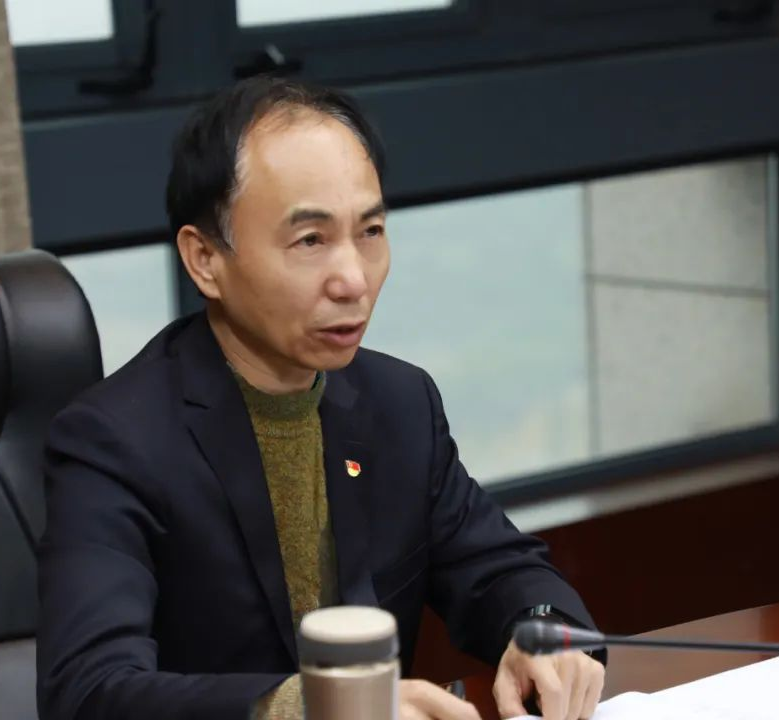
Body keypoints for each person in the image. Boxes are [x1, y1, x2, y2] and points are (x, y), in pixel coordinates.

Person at [36, 75, 605, 720]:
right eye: (310, 240)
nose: (353, 279)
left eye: (371, 231)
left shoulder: (400, 402)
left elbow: (501, 569)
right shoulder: (114, 442)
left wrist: (547, 633)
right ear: (205, 260)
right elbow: (88, 692)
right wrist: (319, 709)